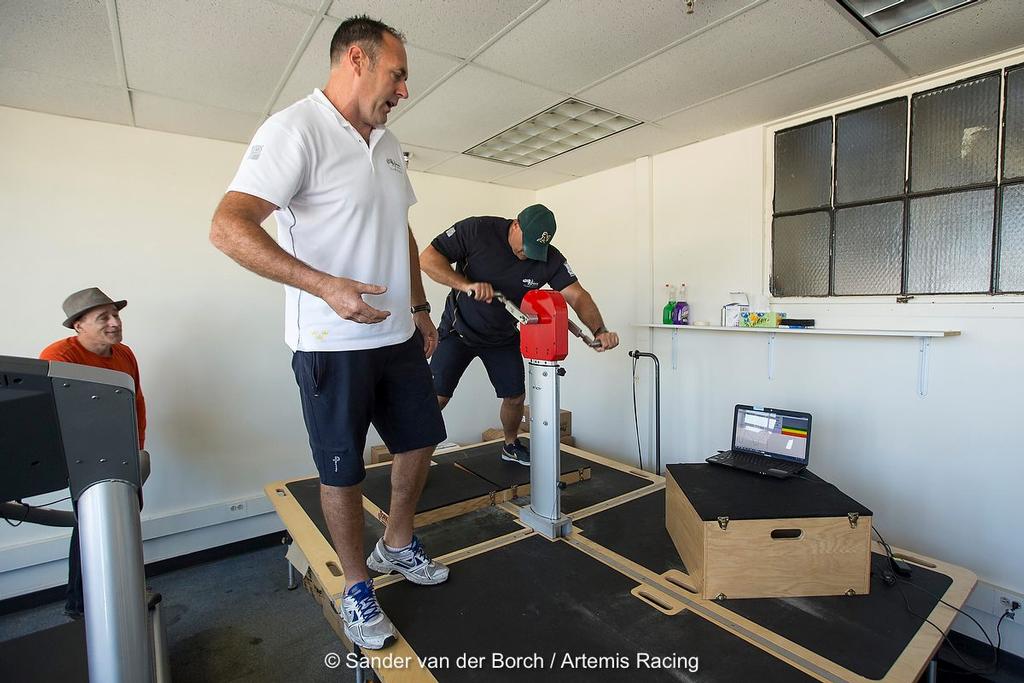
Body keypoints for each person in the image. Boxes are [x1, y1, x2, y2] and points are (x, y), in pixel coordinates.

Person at [209, 16, 447, 651]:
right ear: (358, 60)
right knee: (341, 471)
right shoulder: (295, 129)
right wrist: (323, 285)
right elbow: (228, 226)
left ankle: (397, 543)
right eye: (397, 75)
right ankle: (357, 586)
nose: (403, 90)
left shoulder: (390, 145)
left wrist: (421, 309)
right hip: (329, 344)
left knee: (421, 439)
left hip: (397, 337)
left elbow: (400, 231)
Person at [420, 205, 620, 465]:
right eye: (524, 246)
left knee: (515, 397)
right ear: (516, 225)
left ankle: (510, 444)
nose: (526, 255)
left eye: (534, 251)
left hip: (502, 335)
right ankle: (418, 456)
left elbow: (577, 295)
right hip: (459, 330)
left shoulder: (550, 258)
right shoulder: (477, 230)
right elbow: (427, 258)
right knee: (438, 397)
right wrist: (465, 285)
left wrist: (599, 330)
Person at [39, 287, 149, 619]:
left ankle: (122, 594)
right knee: (90, 528)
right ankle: (80, 605)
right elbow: (59, 414)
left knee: (123, 521)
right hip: (83, 456)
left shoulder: (124, 353)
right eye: (104, 317)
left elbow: (136, 402)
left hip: (122, 453)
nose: (115, 323)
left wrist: (137, 449)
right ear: (78, 326)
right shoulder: (58, 357)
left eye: (116, 315)